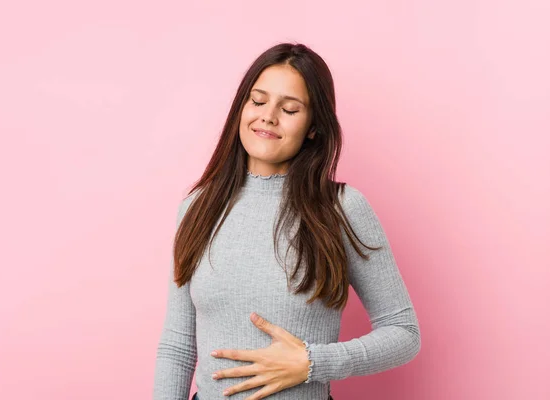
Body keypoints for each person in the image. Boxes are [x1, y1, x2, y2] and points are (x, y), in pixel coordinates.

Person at [153, 42, 421, 400]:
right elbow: (178, 345)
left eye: (290, 108)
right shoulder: (197, 208)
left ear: (313, 127)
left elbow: (403, 332)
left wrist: (312, 363)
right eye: (258, 101)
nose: (268, 116)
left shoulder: (341, 208)